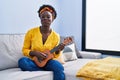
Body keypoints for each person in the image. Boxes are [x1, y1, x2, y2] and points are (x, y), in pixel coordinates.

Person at [18, 4, 66, 80]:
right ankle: (42, 70)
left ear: (52, 18)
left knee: (59, 67)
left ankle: (43, 69)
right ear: (40, 18)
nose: (45, 19)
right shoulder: (31, 32)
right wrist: (35, 53)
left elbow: (55, 55)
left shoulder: (56, 36)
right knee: (22, 62)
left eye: (48, 17)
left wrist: (58, 50)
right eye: (43, 17)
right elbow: (25, 50)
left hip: (48, 62)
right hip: (34, 61)